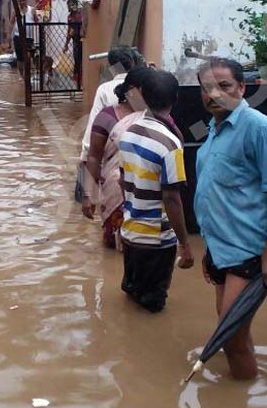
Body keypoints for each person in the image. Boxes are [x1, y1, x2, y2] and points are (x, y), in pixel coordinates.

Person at [194, 57, 267, 380]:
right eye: (207, 88)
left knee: (231, 337)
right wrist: (209, 250)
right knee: (233, 333)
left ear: (242, 88)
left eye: (223, 86)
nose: (214, 94)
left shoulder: (260, 129)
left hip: (248, 251)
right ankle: (242, 395)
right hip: (221, 250)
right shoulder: (214, 129)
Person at [118, 69, 193, 312]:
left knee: (131, 295)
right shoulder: (170, 146)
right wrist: (185, 244)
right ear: (176, 99)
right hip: (156, 241)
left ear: (143, 96)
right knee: (152, 307)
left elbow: (122, 180)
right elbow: (172, 198)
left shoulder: (128, 132)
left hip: (130, 233)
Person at [81, 66, 153, 249]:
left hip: (148, 192)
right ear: (131, 91)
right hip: (114, 193)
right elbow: (94, 157)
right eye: (148, 91)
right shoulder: (107, 116)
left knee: (145, 246)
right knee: (114, 247)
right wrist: (88, 194)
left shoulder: (156, 116)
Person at [77, 47, 143, 200]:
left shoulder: (104, 90)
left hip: (111, 156)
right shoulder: (144, 85)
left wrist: (85, 156)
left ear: (111, 67)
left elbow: (93, 126)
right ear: (133, 62)